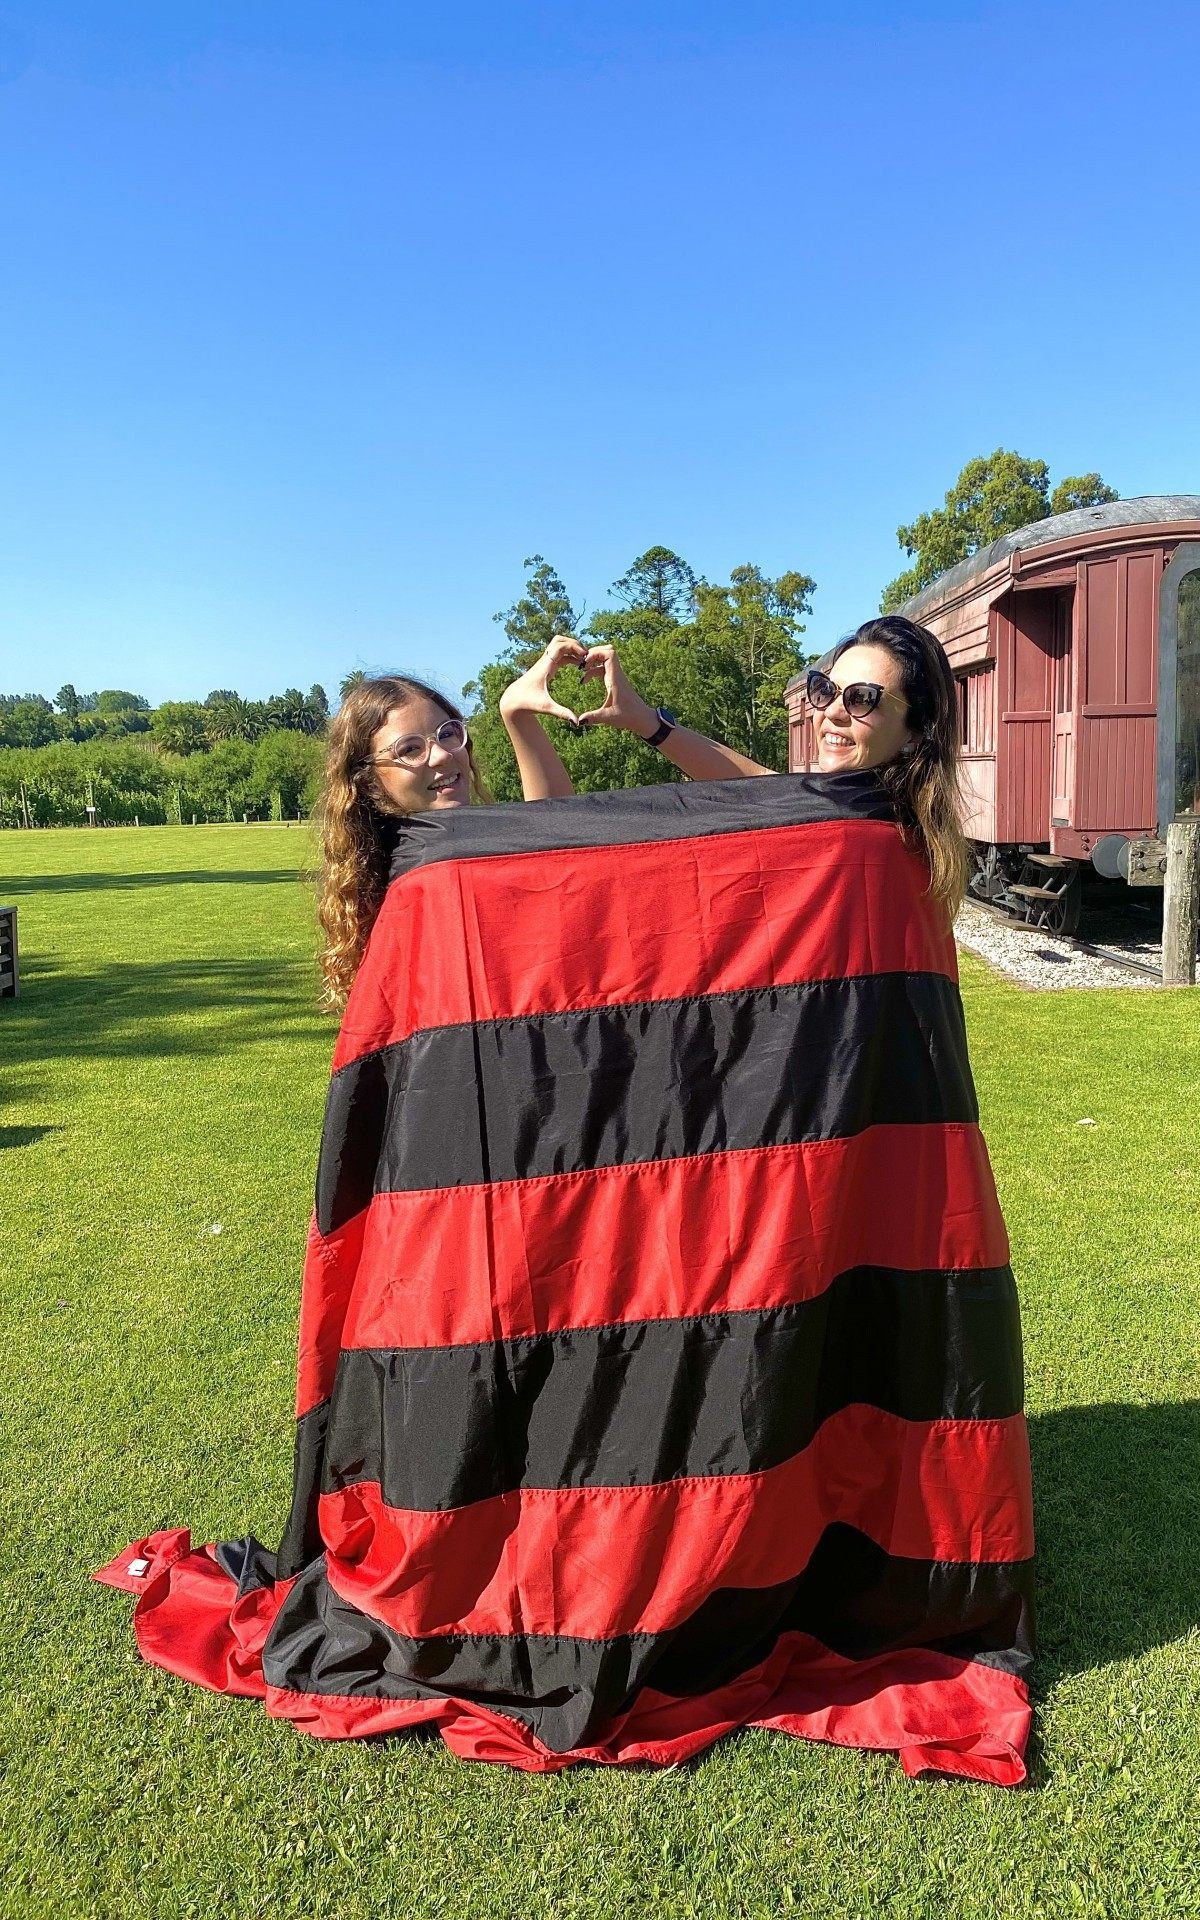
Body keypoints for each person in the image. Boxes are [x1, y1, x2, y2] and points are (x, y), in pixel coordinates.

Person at [499, 613, 969, 921]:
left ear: (915, 731)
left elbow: (568, 860)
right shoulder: (897, 828)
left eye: (862, 698)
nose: (832, 711)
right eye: (824, 689)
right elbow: (761, 784)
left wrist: (516, 718)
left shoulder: (861, 841)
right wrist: (645, 722)